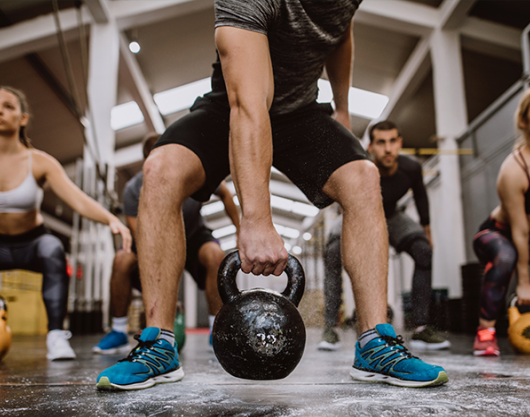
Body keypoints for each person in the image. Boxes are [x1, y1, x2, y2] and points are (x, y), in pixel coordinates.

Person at [97, 0, 448, 391]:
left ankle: (374, 342)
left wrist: (344, 107)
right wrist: (256, 220)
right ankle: (158, 343)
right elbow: (248, 107)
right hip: (233, 106)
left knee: (363, 176)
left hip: (302, 112)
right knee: (160, 170)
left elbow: (340, 29)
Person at [0, 86, 131, 360]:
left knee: (53, 249)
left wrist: (110, 219)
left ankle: (56, 336)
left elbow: (77, 199)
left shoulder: (38, 162)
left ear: (23, 118)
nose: (0, 110)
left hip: (32, 242)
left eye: (9, 106)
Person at [92, 133, 240, 354]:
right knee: (122, 259)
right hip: (153, 238)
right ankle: (118, 331)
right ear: (147, 161)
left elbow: (226, 194)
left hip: (193, 235)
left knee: (215, 255)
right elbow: (138, 233)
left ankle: (216, 330)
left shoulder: (193, 172)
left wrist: (240, 228)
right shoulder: (134, 188)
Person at [318, 121, 450, 351]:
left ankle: (421, 328)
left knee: (423, 252)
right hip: (359, 213)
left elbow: (421, 198)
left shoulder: (411, 168)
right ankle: (331, 327)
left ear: (399, 143)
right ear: (370, 146)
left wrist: (426, 234)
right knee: (332, 250)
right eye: (381, 143)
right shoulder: (360, 166)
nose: (388, 149)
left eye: (392, 142)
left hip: (392, 215)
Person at [472, 89, 530, 356]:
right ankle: (485, 334)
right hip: (498, 234)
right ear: (523, 121)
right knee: (506, 256)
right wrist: (524, 282)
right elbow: (520, 231)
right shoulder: (514, 169)